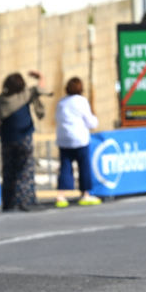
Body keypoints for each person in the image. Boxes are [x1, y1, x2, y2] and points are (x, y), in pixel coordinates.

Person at [0, 70, 50, 211]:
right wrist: (41, 76)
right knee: (25, 170)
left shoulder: (0, 101)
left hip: (7, 139)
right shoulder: (24, 95)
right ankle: (26, 200)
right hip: (24, 138)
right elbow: (39, 90)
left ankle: (9, 201)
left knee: (8, 172)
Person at [54, 77, 101, 207]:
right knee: (84, 166)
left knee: (65, 167)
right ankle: (85, 194)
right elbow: (90, 121)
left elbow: (56, 118)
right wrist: (95, 121)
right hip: (79, 138)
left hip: (64, 139)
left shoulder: (61, 102)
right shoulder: (81, 101)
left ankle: (61, 195)